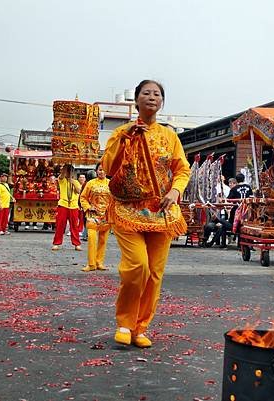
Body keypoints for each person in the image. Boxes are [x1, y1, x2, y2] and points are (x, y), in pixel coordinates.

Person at [101, 80, 190, 348]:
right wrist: (127, 139)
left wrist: (175, 192)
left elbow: (182, 169)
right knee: (137, 266)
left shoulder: (169, 136)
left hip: (161, 213)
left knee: (154, 273)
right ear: (136, 100)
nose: (152, 97)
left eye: (157, 94)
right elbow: (108, 167)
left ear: (162, 102)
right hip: (128, 210)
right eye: (146, 93)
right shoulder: (122, 132)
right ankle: (124, 323)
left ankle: (140, 327)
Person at [80, 164, 111, 272]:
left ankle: (99, 262)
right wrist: (88, 207)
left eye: (103, 170)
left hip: (106, 215)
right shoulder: (90, 183)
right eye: (100, 170)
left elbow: (115, 200)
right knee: (92, 240)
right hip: (93, 214)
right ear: (96, 171)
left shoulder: (110, 184)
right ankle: (91, 264)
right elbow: (83, 197)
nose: (101, 172)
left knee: (103, 241)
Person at [51, 164, 82, 251]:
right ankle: (56, 243)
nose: (68, 173)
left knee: (74, 226)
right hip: (63, 205)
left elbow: (78, 191)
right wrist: (64, 168)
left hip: (73, 206)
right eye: (67, 171)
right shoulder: (62, 180)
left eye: (70, 171)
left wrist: (73, 182)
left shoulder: (76, 182)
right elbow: (61, 176)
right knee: (60, 225)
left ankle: (76, 244)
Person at [77, 173, 88, 241]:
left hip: (85, 205)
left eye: (83, 177)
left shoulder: (87, 185)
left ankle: (85, 234)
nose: (82, 179)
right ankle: (84, 234)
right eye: (80, 177)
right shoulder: (76, 184)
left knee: (85, 219)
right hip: (78, 204)